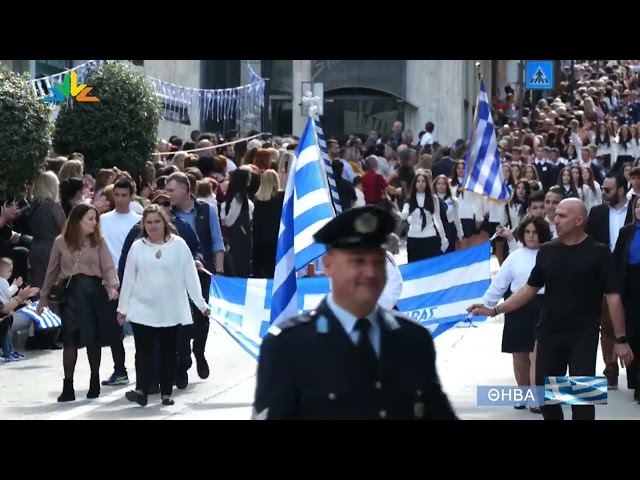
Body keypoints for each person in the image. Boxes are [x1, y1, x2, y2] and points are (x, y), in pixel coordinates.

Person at [252, 205, 458, 420]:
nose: (370, 272)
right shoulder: (288, 347)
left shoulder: (413, 341)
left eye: (377, 262)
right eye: (357, 261)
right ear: (328, 265)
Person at [467, 198, 634, 420]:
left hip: (583, 334)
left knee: (582, 399)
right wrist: (495, 310)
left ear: (579, 220)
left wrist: (620, 340)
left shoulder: (599, 252)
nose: (556, 219)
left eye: (562, 215)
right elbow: (529, 289)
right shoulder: (547, 251)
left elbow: (613, 297)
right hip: (549, 332)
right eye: (555, 215)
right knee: (546, 396)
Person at [117, 205, 210, 407]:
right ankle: (141, 390)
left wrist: (201, 304)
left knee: (169, 351)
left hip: (170, 308)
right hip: (143, 308)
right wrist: (122, 308)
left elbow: (190, 277)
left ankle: (166, 393)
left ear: (164, 223)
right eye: (149, 222)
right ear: (143, 225)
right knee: (144, 351)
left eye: (157, 222)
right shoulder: (137, 247)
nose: (153, 226)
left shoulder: (179, 245)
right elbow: (129, 279)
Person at [37, 203, 120, 402]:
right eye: (90, 219)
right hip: (71, 294)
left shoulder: (98, 240)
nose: (94, 223)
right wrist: (43, 296)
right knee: (70, 339)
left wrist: (112, 286)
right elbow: (52, 271)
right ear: (77, 220)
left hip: (94, 293)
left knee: (93, 338)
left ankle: (94, 380)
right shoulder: (60, 242)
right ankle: (68, 386)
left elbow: (108, 266)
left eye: (95, 219)